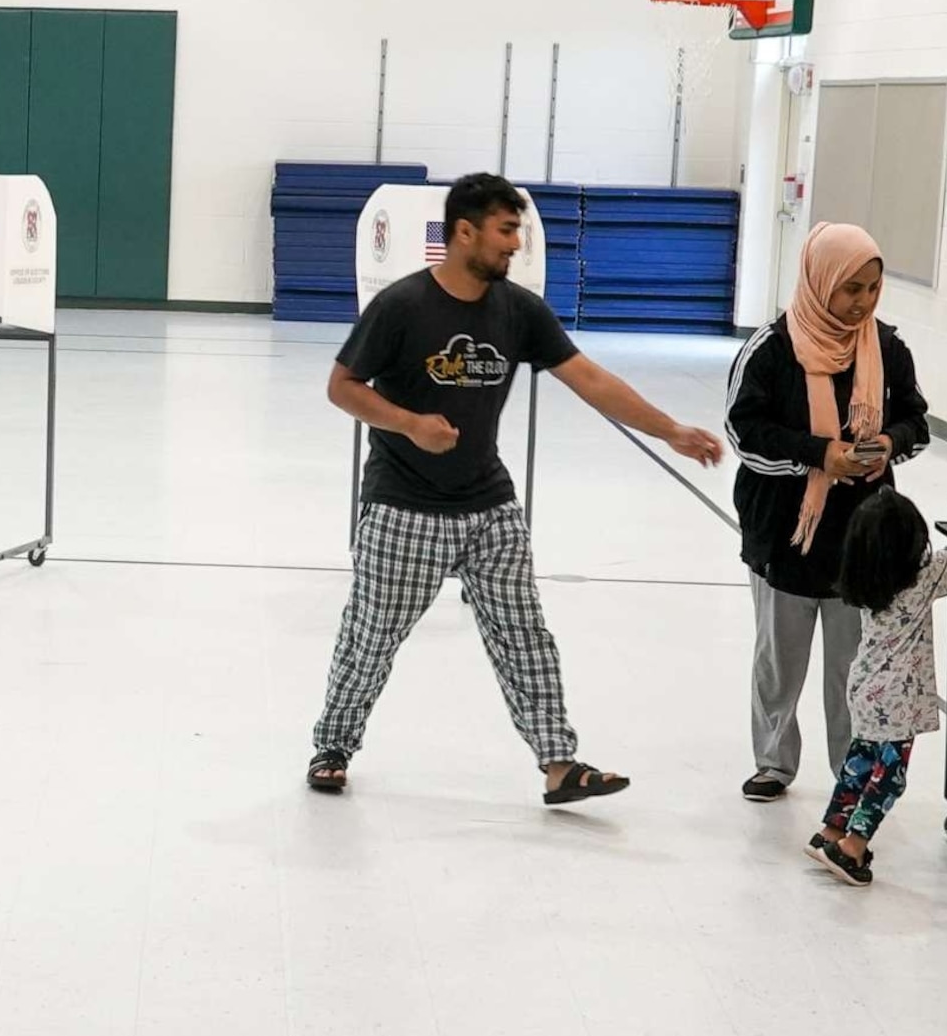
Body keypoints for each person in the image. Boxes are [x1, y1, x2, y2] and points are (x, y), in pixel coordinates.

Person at [308, 172, 725, 806]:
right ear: (464, 232)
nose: (515, 244)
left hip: (489, 505)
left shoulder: (517, 310)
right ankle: (334, 744)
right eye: (506, 232)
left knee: (523, 634)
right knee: (371, 637)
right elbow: (342, 387)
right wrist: (410, 424)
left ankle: (559, 763)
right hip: (403, 506)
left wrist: (670, 429)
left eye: (519, 231)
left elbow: (589, 377)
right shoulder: (401, 306)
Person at [726, 222, 931, 803]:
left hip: (860, 535)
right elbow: (746, 432)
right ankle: (773, 762)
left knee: (852, 664)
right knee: (779, 658)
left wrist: (889, 442)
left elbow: (917, 420)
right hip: (786, 529)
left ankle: (852, 767)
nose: (862, 302)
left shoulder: (886, 348)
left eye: (872, 288)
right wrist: (820, 456)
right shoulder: (772, 348)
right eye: (850, 289)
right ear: (820, 283)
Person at [811, 475, 947, 884]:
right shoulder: (920, 576)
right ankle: (853, 847)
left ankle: (830, 831)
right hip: (896, 701)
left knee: (858, 763)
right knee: (888, 777)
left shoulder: (870, 579)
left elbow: (935, 590)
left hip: (866, 688)